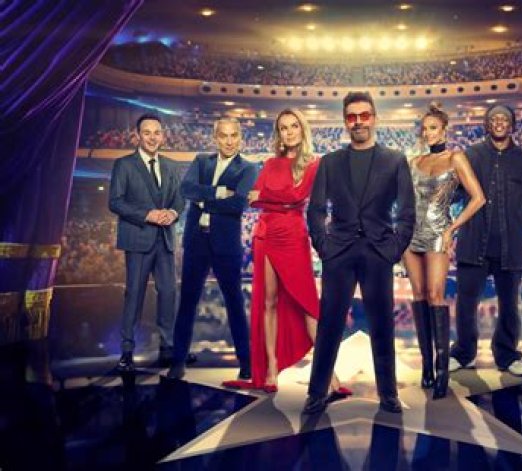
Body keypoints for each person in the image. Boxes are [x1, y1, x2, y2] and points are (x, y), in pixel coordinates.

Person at [220, 109, 351, 396]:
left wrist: (268, 198)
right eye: (283, 128)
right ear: (278, 133)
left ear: (302, 130)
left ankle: (329, 374)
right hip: (266, 233)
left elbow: (297, 197)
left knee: (307, 305)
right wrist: (274, 201)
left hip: (293, 236)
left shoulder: (314, 164)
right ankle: (270, 368)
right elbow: (253, 200)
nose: (289, 132)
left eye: (293, 126)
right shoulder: (270, 163)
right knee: (268, 302)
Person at [302, 92, 415, 415]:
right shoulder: (330, 161)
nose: (358, 122)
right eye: (352, 117)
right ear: (345, 121)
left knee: (382, 325)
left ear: (374, 118)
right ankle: (317, 392)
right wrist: (324, 247)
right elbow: (316, 210)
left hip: (378, 251)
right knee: (329, 325)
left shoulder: (395, 160)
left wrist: (393, 249)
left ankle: (388, 393)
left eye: (364, 116)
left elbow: (407, 211)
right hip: (339, 252)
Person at [450, 104, 522, 377]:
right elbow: (454, 193)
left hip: (511, 246)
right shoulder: (471, 155)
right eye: (494, 118)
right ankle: (463, 354)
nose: (499, 122)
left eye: (504, 119)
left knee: (509, 305)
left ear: (512, 126)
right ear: (487, 125)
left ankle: (507, 356)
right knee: (465, 303)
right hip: (473, 243)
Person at [403, 102, 485, 399]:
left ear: (444, 130)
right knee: (419, 295)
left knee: (436, 295)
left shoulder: (456, 158)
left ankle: (442, 371)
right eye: (425, 129)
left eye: (433, 128)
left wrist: (452, 229)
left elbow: (478, 198)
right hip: (411, 234)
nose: (428, 133)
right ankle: (426, 367)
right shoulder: (414, 161)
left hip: (439, 231)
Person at [167, 118, 258, 380]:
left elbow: (238, 204)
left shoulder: (248, 168)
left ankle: (246, 362)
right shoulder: (201, 161)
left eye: (233, 136)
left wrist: (202, 200)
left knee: (235, 303)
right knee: (187, 302)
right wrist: (219, 193)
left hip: (225, 245)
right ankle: (178, 361)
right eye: (224, 136)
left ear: (240, 138)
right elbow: (186, 189)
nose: (229, 141)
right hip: (196, 242)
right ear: (215, 138)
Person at [109, 114, 184, 372]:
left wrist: (173, 213)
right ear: (138, 136)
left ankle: (168, 346)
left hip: (165, 239)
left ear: (163, 136)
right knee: (134, 294)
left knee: (169, 293)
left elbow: (180, 199)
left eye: (157, 132)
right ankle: (127, 351)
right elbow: (115, 202)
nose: (152, 137)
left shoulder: (172, 166)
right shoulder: (124, 165)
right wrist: (147, 215)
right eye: (147, 132)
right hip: (138, 239)